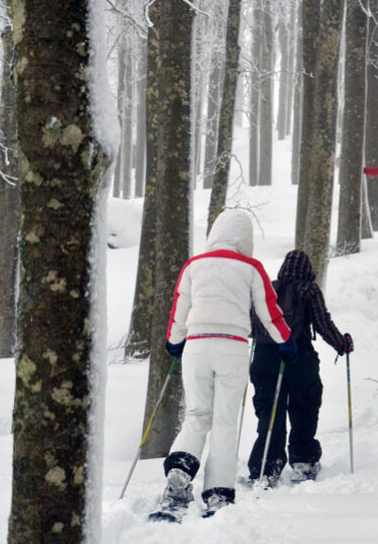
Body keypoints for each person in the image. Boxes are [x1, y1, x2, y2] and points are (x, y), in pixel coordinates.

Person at [155, 209, 297, 520]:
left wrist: (175, 340)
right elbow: (269, 311)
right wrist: (285, 341)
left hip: (196, 345)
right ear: (244, 239)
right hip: (231, 347)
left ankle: (179, 471)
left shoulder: (194, 265)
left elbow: (180, 307)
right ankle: (217, 494)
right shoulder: (251, 267)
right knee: (224, 422)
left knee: (196, 416)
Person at [247, 250, 353, 486]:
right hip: (299, 356)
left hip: (265, 356)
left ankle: (265, 467)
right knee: (304, 406)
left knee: (269, 412)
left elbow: (251, 324)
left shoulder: (268, 290)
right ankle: (303, 460)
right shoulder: (308, 290)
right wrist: (342, 344)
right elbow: (322, 323)